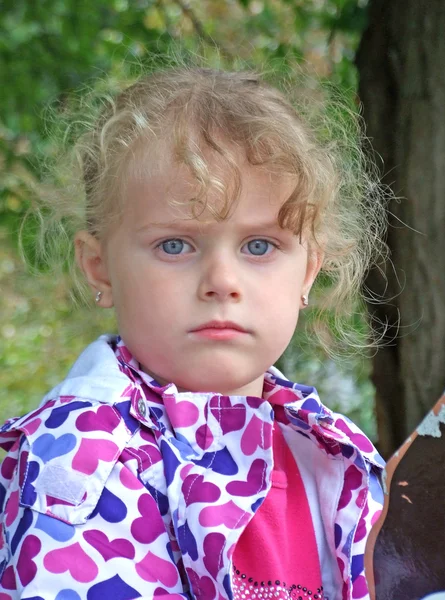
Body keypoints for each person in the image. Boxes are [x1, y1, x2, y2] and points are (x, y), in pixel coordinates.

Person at [0, 67, 386, 600]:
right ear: (100, 267)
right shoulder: (78, 460)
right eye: (176, 245)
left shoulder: (332, 451)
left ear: (308, 271)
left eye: (259, 247)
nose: (222, 282)